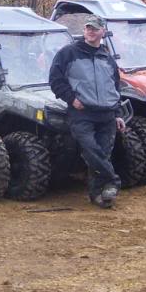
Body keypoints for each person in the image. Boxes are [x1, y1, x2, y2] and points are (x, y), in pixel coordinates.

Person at [49, 15, 127, 209]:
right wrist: (71, 99)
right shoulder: (68, 53)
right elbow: (55, 80)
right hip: (82, 113)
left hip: (107, 114)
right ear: (84, 31)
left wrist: (118, 114)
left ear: (103, 32)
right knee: (91, 150)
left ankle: (99, 196)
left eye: (94, 28)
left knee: (101, 154)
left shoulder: (107, 58)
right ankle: (113, 181)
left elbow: (114, 87)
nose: (90, 31)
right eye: (87, 28)